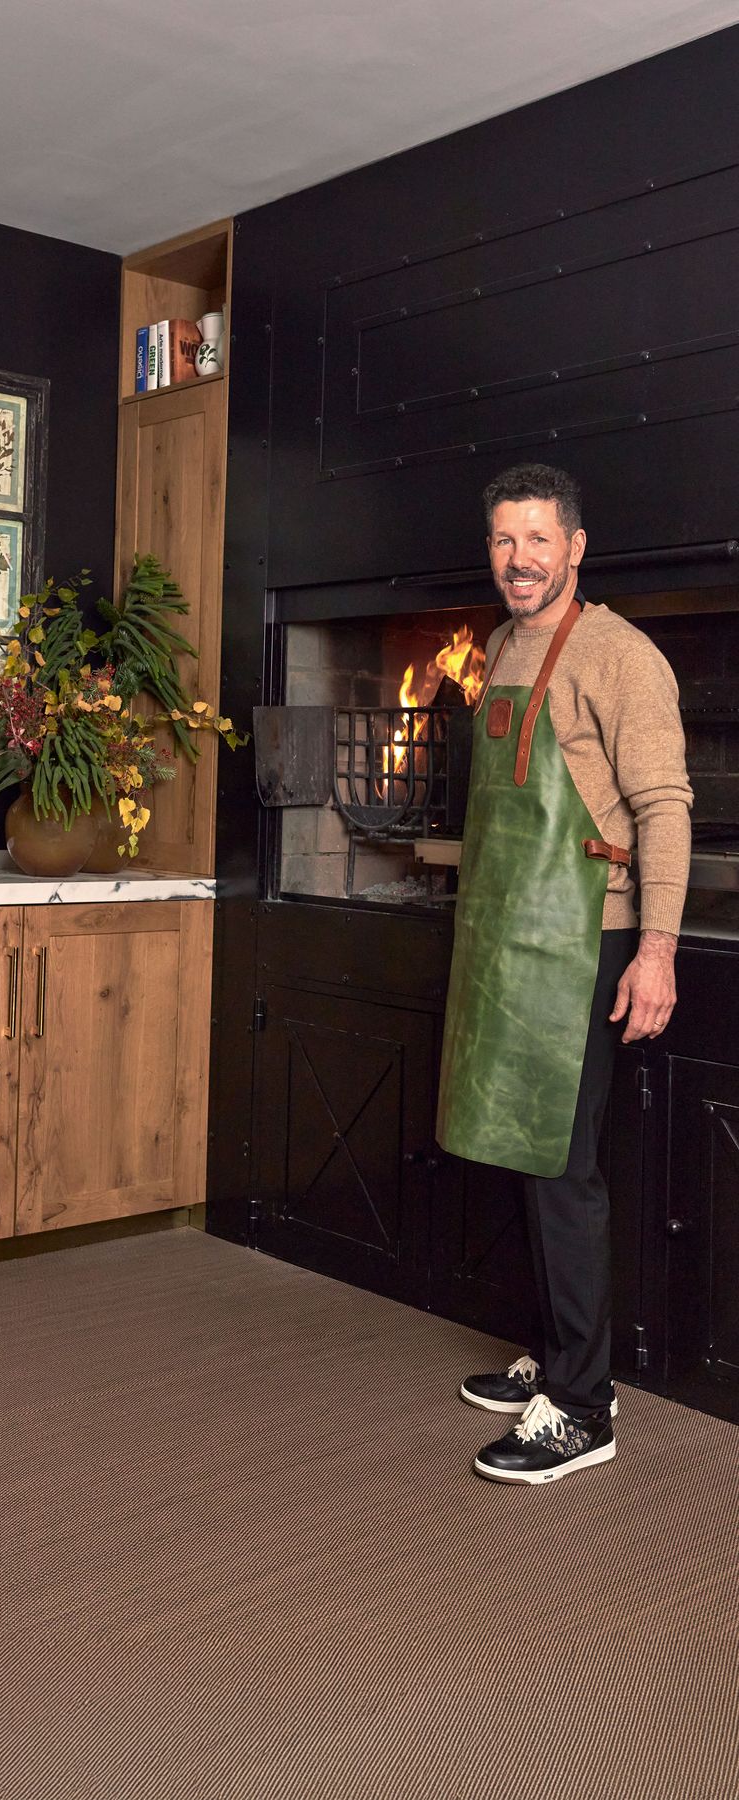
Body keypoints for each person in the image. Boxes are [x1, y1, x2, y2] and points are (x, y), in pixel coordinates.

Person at [436, 464, 691, 1485]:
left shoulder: (622, 656)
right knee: (521, 1153)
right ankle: (560, 1355)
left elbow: (665, 807)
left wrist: (658, 951)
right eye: (504, 541)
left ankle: (585, 1406)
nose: (520, 560)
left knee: (561, 1168)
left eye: (538, 539)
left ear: (575, 547)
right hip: (509, 939)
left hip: (590, 939)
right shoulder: (501, 646)